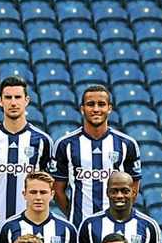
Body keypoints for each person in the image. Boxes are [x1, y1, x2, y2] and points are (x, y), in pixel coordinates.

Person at [53, 84, 142, 229]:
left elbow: (133, 187)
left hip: (115, 226)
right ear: (82, 109)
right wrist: (73, 214)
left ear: (109, 108)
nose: (96, 109)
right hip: (79, 225)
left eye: (101, 104)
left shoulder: (127, 144)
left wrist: (120, 212)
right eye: (90, 104)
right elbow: (57, 190)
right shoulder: (65, 144)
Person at [0, 76, 52, 222]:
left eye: (18, 97)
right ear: (0, 101)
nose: (13, 102)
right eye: (8, 97)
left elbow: (48, 182)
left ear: (27, 100)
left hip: (32, 222)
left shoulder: (42, 140)